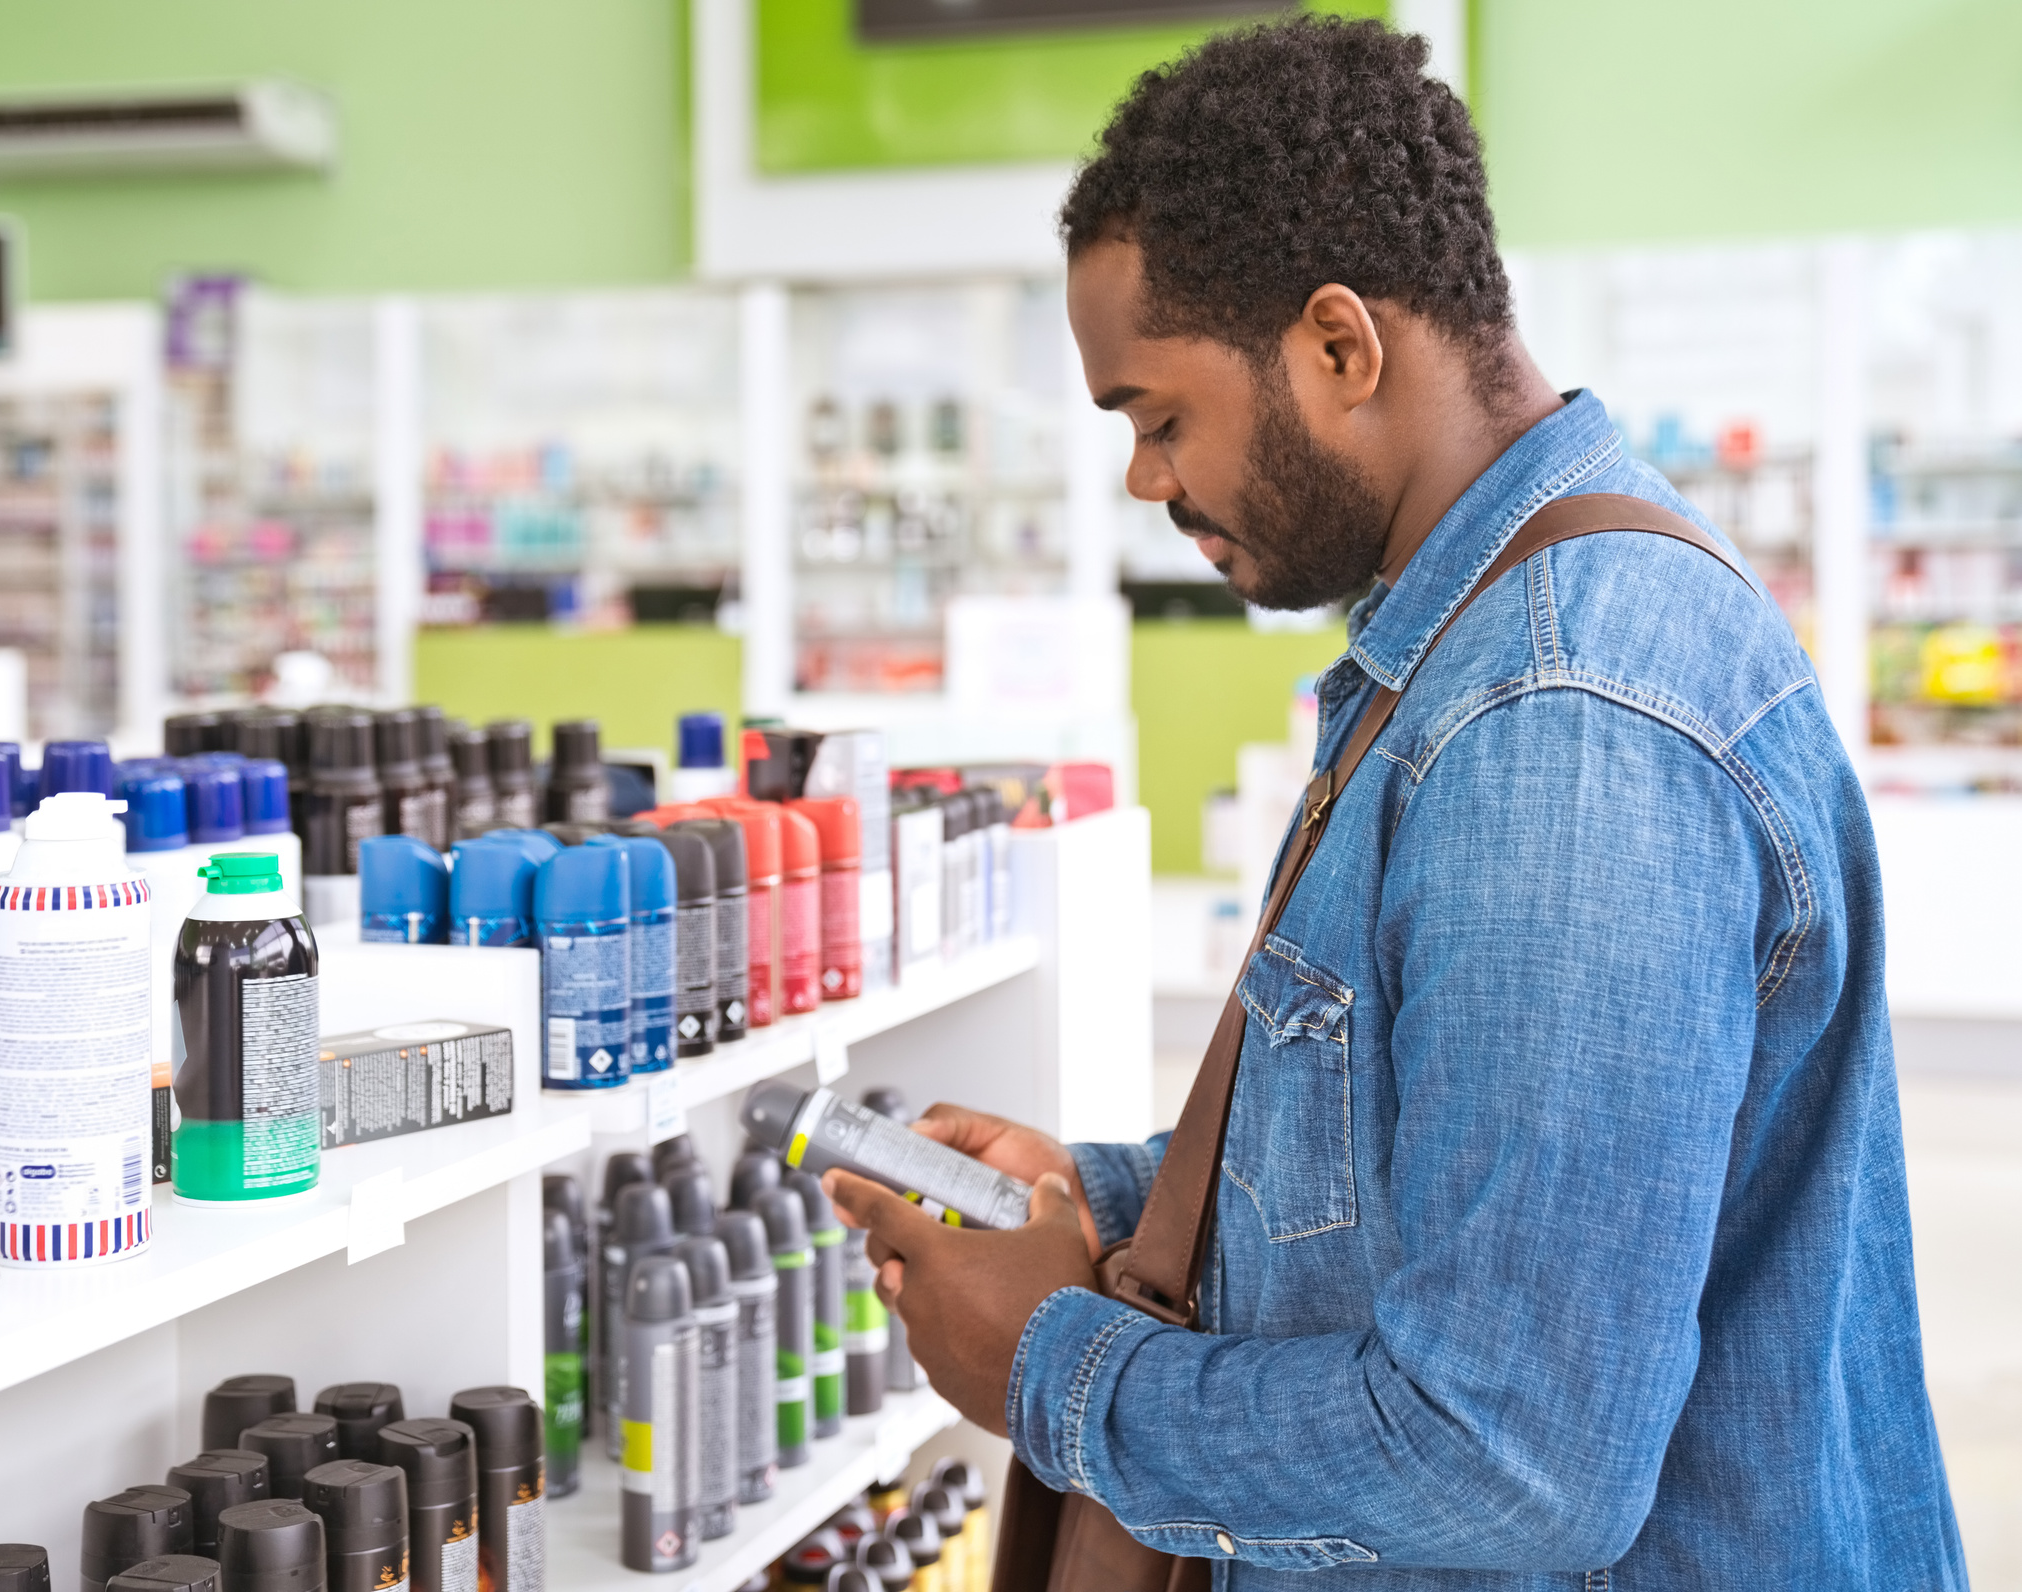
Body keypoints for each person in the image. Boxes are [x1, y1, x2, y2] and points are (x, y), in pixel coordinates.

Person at [826, 16, 1966, 1589]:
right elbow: (1443, 1160)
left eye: (1160, 418)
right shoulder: (1504, 634)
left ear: (1339, 349)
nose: (1146, 484)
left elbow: (1505, 1462)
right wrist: (1103, 1194)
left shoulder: (1556, 720)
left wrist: (1045, 1366)